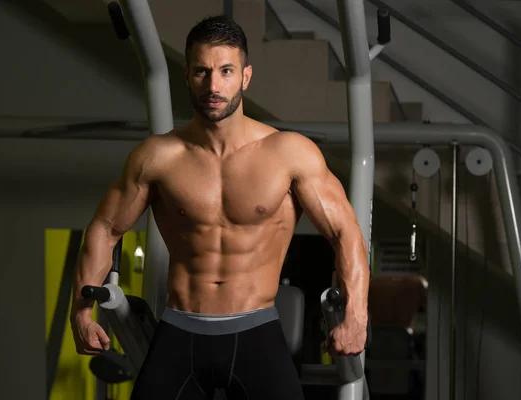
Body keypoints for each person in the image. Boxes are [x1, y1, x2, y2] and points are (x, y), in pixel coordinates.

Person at [70, 15, 370, 400]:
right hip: (179, 329)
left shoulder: (289, 153)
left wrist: (356, 315)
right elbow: (106, 228)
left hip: (257, 330)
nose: (214, 85)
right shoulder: (157, 157)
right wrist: (80, 312)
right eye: (202, 71)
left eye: (226, 71)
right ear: (188, 75)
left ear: (245, 77)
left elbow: (344, 232)